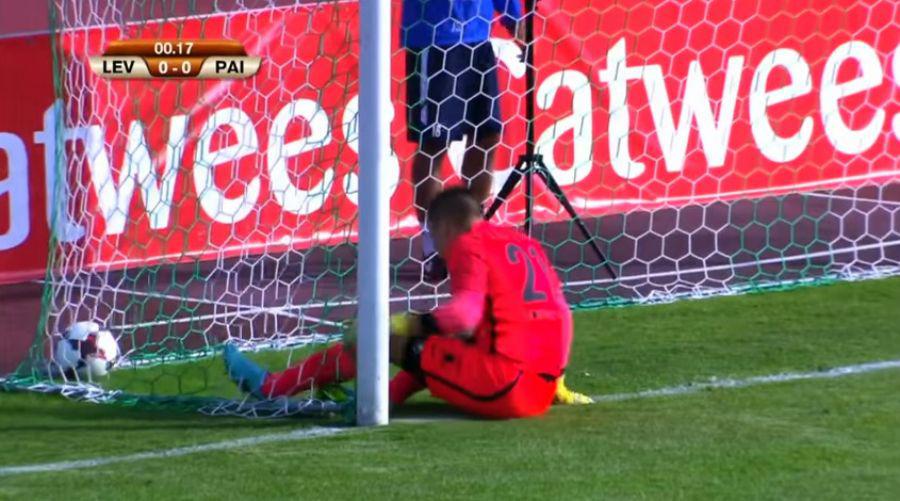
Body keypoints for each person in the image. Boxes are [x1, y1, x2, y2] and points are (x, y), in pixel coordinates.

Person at [224, 188, 592, 419]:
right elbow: (559, 313)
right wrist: (555, 381)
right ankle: (385, 396)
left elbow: (464, 316)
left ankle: (272, 387)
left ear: (445, 228)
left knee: (378, 339)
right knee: (434, 349)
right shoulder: (522, 242)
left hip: (505, 387)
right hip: (541, 388)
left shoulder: (467, 245)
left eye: (433, 237)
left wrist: (403, 322)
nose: (438, 249)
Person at [403, 0, 525, 281]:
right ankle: (434, 247)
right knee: (434, 143)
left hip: (478, 36)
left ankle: (470, 237)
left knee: (488, 133)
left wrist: (513, 17)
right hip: (435, 36)